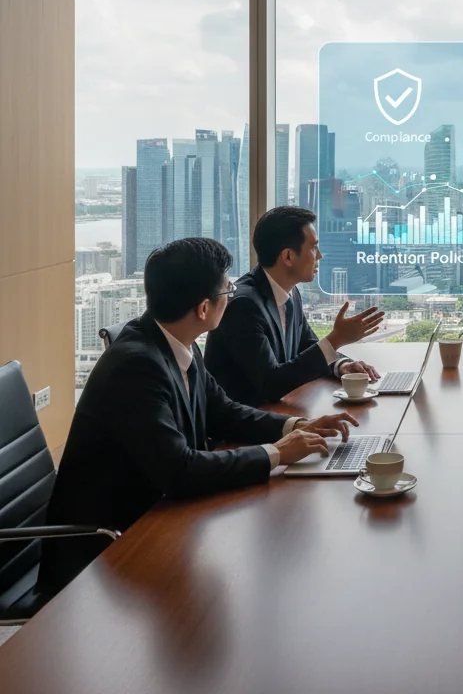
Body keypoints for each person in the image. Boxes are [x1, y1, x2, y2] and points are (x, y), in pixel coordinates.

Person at [40, 238, 358, 594]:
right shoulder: (136, 366)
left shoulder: (175, 340)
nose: (232, 296)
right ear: (204, 308)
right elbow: (180, 471)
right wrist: (277, 454)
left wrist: (296, 426)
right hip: (104, 555)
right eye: (228, 290)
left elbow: (222, 411)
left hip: (156, 519)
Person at [205, 206, 385, 407]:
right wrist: (336, 339)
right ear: (288, 256)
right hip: (244, 422)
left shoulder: (290, 292)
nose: (320, 256)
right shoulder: (243, 305)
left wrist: (341, 365)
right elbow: (271, 383)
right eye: (314, 248)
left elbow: (306, 344)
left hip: (277, 411)